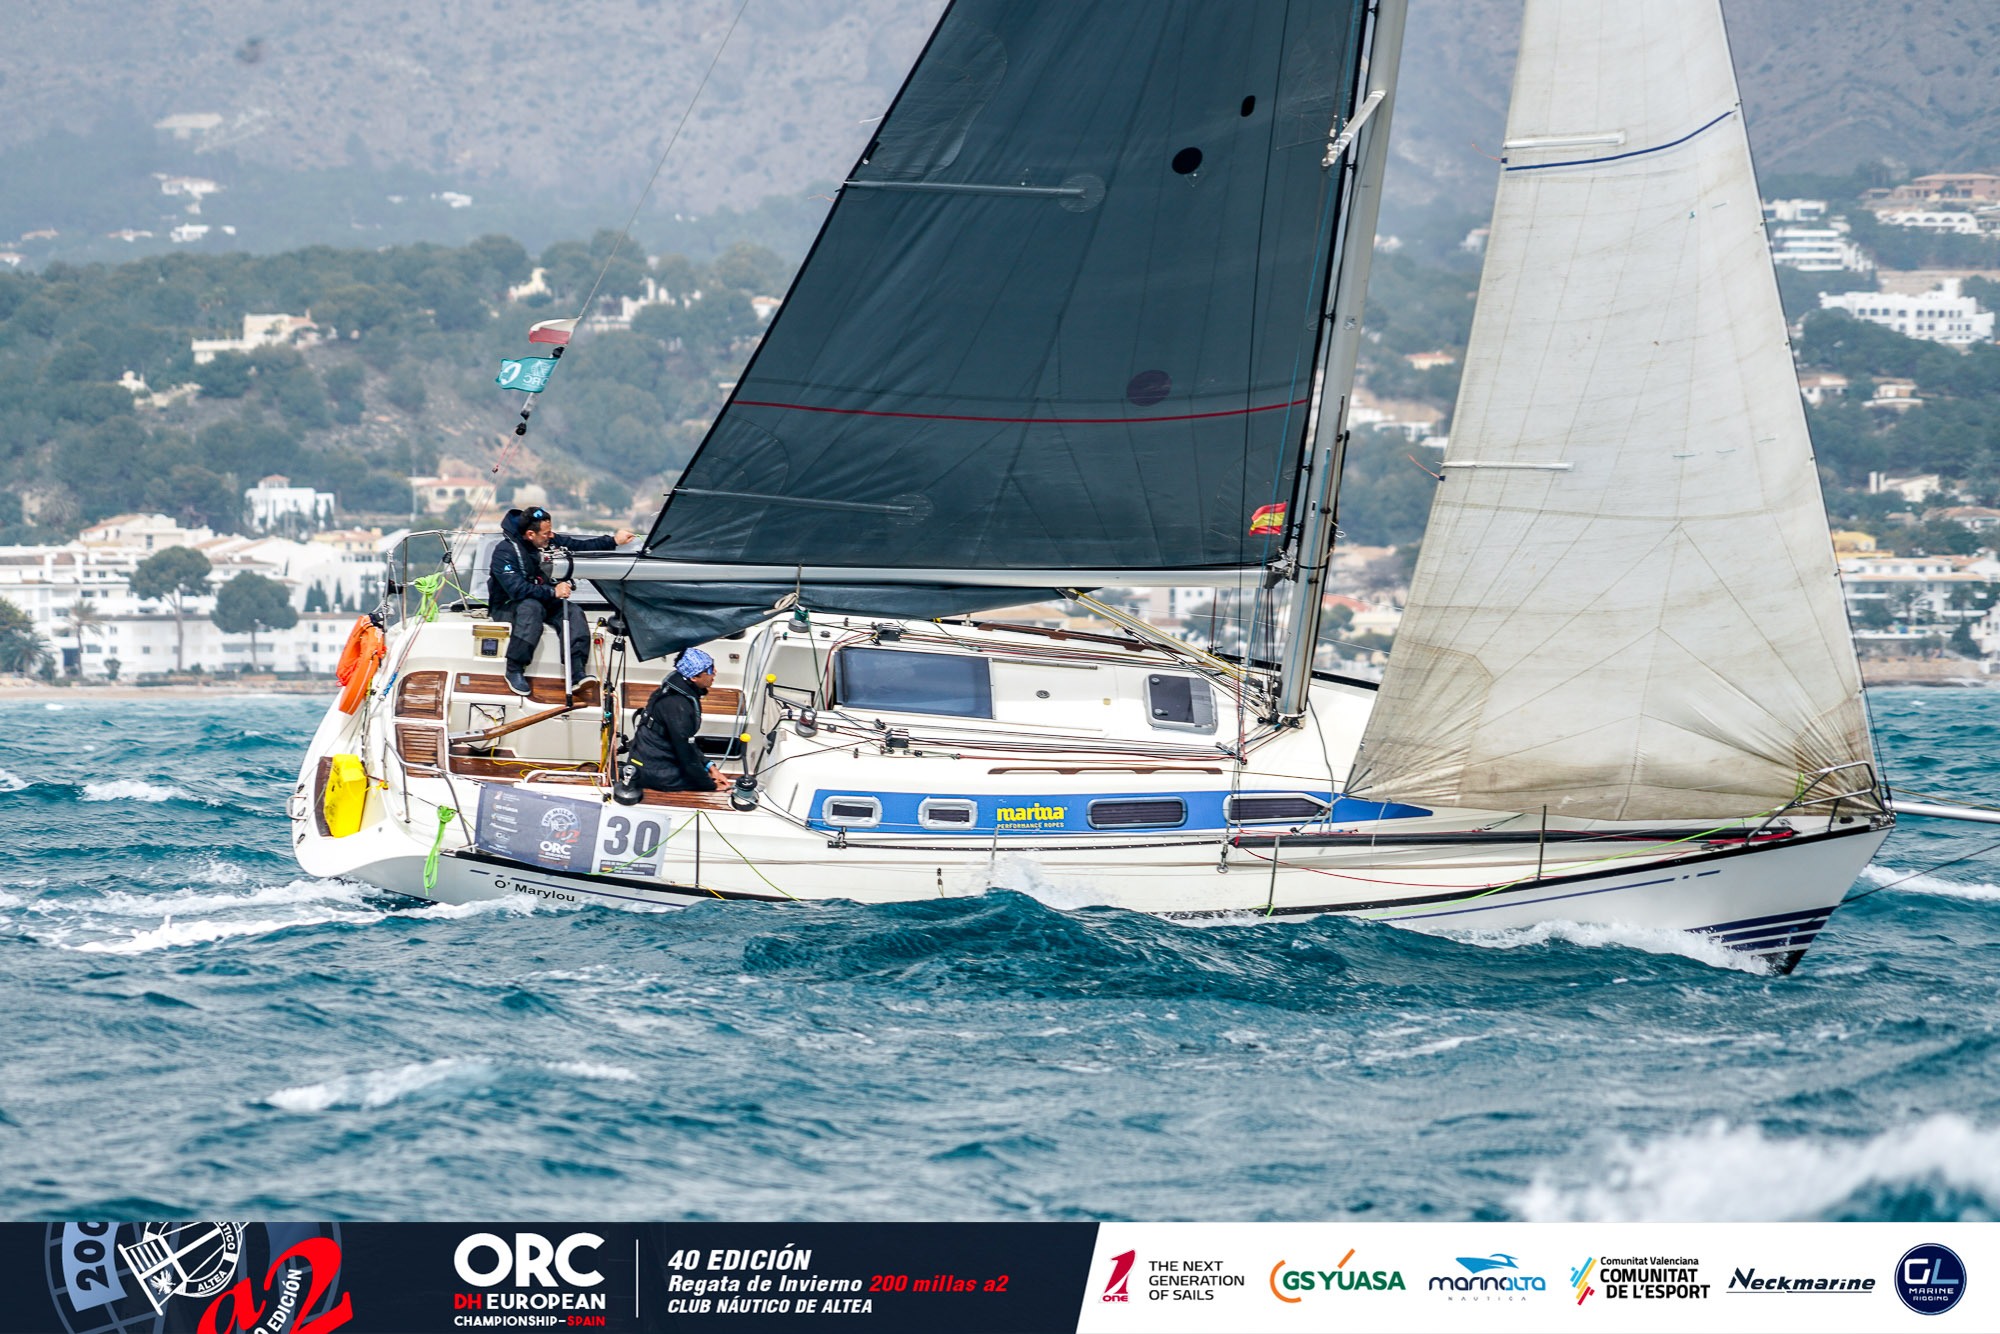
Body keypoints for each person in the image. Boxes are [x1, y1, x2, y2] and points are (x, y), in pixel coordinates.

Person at [487, 506, 637, 696]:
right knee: (531, 608)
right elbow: (516, 590)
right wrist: (553, 591)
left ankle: (576, 671)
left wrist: (614, 541)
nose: (551, 536)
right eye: (546, 533)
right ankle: (514, 668)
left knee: (573, 611)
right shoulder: (504, 552)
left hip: (542, 598)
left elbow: (580, 546)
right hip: (508, 606)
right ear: (531, 534)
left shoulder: (548, 540)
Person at [613, 647, 722, 803]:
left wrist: (709, 766)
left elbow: (686, 741)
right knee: (697, 781)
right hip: (655, 771)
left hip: (650, 755)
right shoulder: (678, 706)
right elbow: (685, 751)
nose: (715, 672)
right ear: (694, 677)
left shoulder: (675, 688)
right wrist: (710, 785)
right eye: (709, 670)